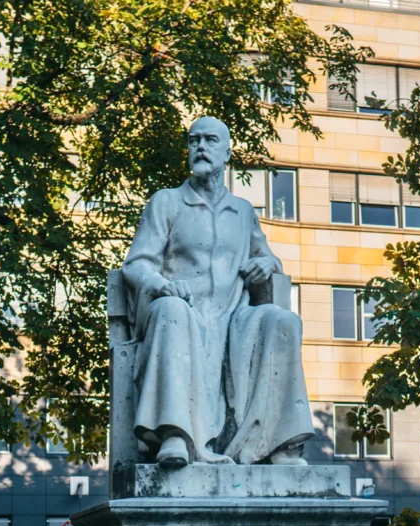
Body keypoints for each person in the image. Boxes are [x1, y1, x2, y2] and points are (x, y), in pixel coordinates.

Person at [122, 116, 314, 468]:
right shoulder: (166, 202)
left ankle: (279, 442)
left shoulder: (242, 212)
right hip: (183, 312)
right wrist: (163, 285)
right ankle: (176, 435)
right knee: (171, 311)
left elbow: (267, 258)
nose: (200, 147)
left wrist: (266, 265)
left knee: (283, 320)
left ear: (227, 152)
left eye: (210, 140)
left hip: (234, 319)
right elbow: (135, 265)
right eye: (194, 141)